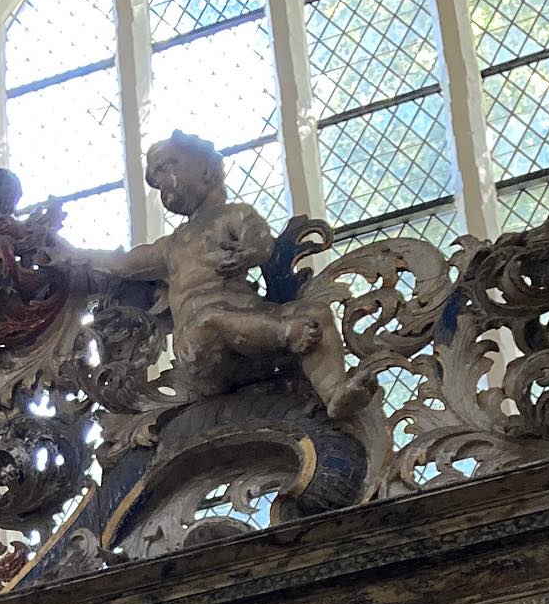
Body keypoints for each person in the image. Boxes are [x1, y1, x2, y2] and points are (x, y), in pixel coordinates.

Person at [108, 131, 370, 421]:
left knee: (316, 312)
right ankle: (288, 334)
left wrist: (249, 252)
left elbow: (261, 241)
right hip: (205, 353)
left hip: (256, 340)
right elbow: (120, 264)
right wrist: (74, 256)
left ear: (206, 170)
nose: (162, 184)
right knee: (209, 319)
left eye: (168, 166)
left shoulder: (235, 216)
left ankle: (334, 393)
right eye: (156, 182)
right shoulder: (171, 247)